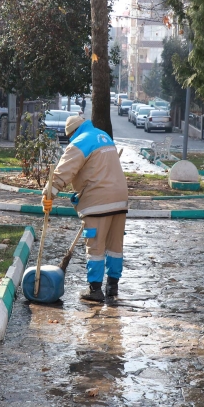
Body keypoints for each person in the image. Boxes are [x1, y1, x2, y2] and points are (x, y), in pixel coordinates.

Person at [42, 115, 128, 302]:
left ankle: (95, 290)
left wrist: (49, 194)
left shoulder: (79, 142)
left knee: (95, 246)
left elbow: (64, 171)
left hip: (98, 201)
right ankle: (112, 287)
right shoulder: (104, 136)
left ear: (72, 133)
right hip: (121, 199)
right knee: (115, 246)